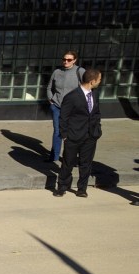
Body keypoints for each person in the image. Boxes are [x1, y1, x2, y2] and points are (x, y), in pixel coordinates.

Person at [53, 69, 102, 198]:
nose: (100, 82)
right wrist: (64, 135)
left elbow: (96, 113)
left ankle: (82, 189)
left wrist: (98, 129)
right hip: (73, 136)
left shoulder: (95, 94)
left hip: (91, 136)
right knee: (68, 163)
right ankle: (62, 187)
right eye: (99, 79)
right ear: (92, 81)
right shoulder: (72, 96)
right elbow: (63, 117)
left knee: (86, 164)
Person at [47, 51, 85, 163]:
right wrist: (51, 101)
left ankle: (70, 158)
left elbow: (87, 88)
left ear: (74, 60)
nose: (66, 62)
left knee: (72, 133)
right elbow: (49, 87)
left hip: (73, 108)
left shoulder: (80, 71)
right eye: (64, 59)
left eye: (69, 60)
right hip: (57, 106)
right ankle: (54, 156)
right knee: (57, 131)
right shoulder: (57, 72)